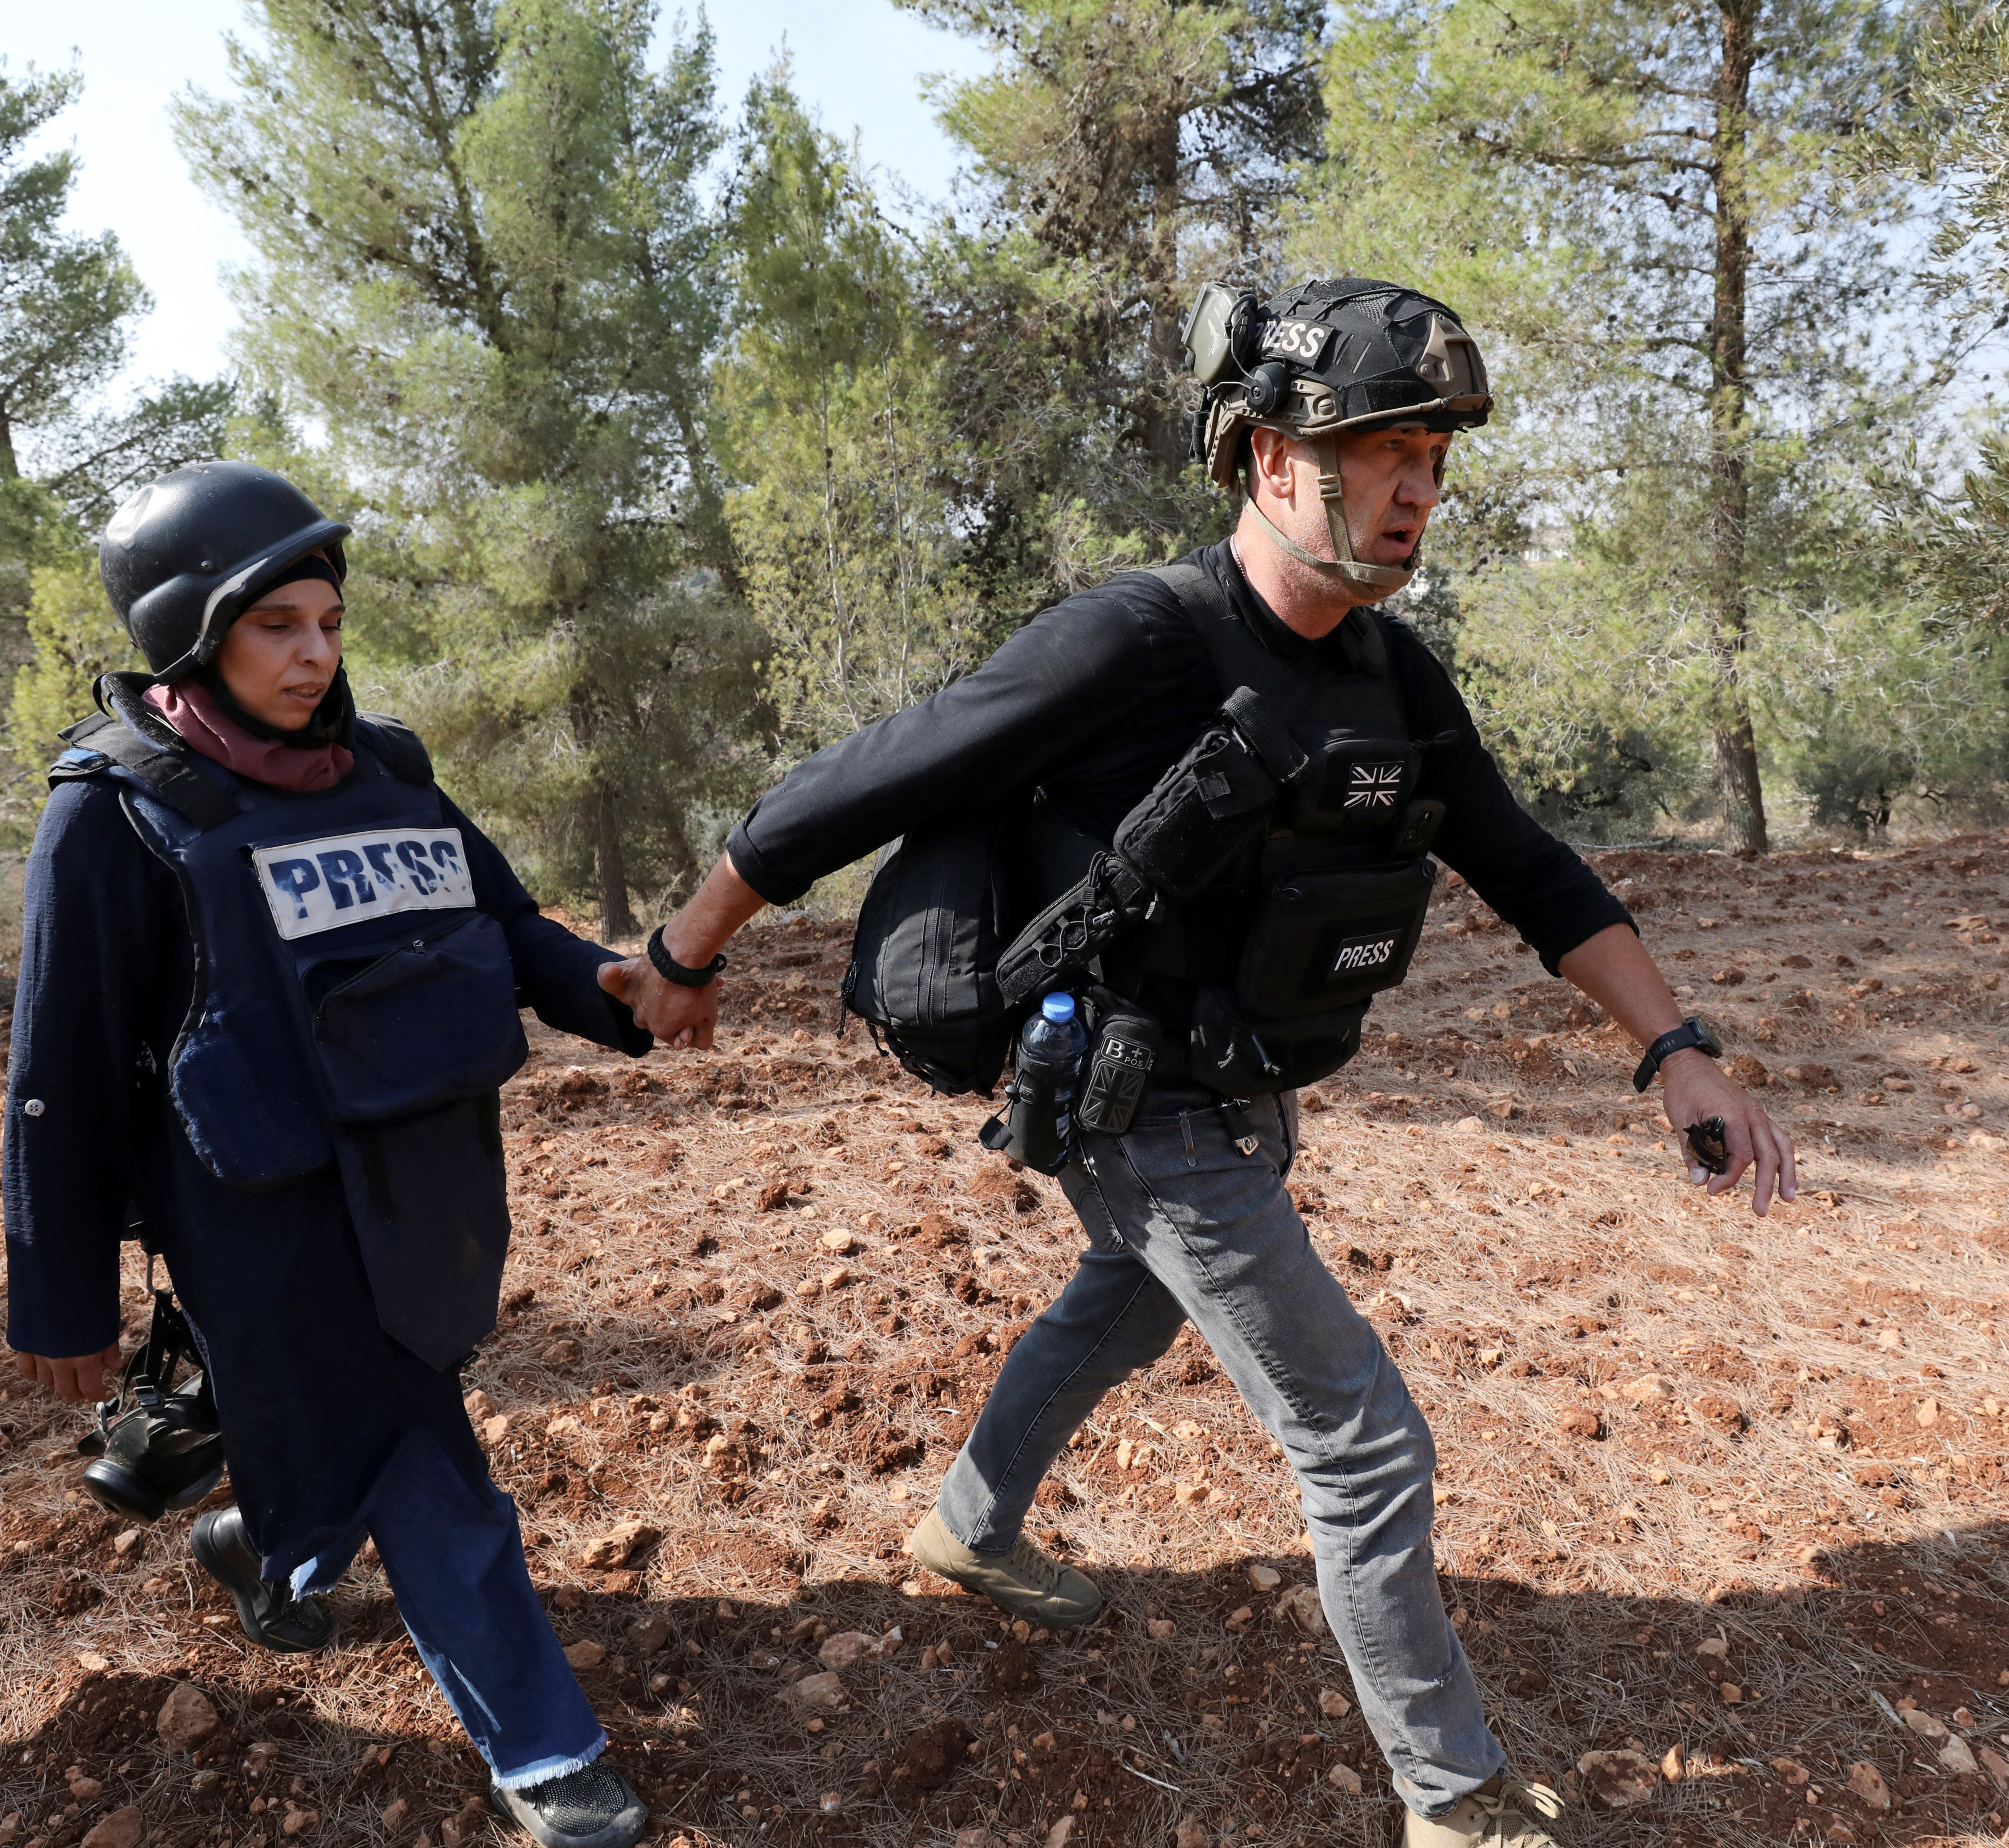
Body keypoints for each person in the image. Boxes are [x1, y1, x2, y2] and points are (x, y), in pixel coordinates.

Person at [608, 279, 1799, 1847]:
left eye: (1432, 461)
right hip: (1127, 1102)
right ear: (1265, 458)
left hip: (1241, 1090)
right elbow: (856, 782)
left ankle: (969, 1528)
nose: (1417, 493)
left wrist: (1679, 1056)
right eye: (1381, 455)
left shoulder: (1392, 676)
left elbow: (1530, 869)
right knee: (1364, 1442)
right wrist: (688, 954)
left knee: (1126, 1297)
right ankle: (1457, 1805)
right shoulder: (1135, 637)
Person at [3, 461, 658, 1848]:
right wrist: (58, 1297)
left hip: (427, 1177)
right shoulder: (117, 814)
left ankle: (261, 1547)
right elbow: (55, 1076)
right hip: (256, 1207)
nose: (315, 657)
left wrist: (614, 987)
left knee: (361, 1417)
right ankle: (546, 1751)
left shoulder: (385, 769)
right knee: (427, 1457)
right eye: (276, 629)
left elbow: (500, 920)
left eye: (328, 622)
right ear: (193, 637)